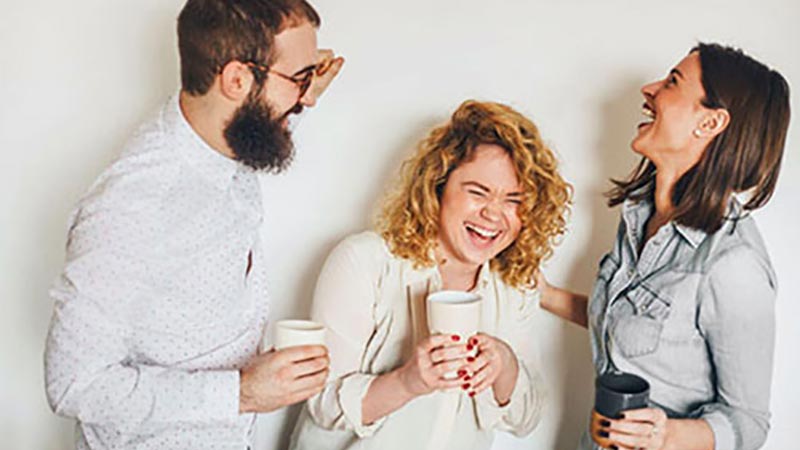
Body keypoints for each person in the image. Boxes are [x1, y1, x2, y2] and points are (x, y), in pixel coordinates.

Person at [44, 1, 344, 449]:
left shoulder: (226, 138)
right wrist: (240, 392)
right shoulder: (130, 207)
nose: (305, 94)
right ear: (237, 80)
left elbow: (262, 124)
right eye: (299, 78)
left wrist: (301, 93)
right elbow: (74, 385)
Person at [538, 43, 790, 450]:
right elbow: (628, 325)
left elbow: (748, 423)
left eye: (673, 82)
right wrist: (542, 294)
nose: (649, 89)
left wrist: (665, 435)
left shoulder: (733, 263)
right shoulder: (641, 217)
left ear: (710, 123)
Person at [288, 100, 572, 450]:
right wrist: (409, 381)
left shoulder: (513, 286)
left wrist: (505, 364)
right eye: (478, 192)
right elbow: (323, 404)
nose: (494, 214)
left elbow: (526, 417)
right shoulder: (365, 260)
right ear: (437, 188)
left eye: (513, 200)